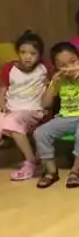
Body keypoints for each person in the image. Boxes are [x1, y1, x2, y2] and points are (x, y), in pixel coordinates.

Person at [34, 41, 79, 189]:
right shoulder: (59, 80)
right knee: (40, 133)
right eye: (63, 65)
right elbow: (45, 104)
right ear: (56, 67)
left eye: (73, 61)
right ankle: (51, 171)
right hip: (65, 118)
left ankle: (76, 171)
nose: (69, 67)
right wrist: (53, 84)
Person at [0, 31, 49, 181]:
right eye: (23, 52)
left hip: (32, 110)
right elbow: (2, 90)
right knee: (6, 119)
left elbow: (53, 85)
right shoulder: (9, 68)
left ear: (39, 55)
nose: (27, 57)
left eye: (33, 53)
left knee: (11, 121)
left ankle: (30, 162)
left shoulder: (45, 67)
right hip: (11, 109)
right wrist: (2, 106)